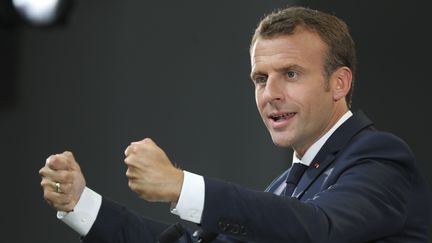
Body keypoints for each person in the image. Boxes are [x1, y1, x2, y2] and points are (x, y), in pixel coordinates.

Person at [39, 6, 430, 243]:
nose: (269, 94)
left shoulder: (380, 159)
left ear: (338, 83)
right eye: (261, 78)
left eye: (291, 74)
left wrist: (181, 187)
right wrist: (81, 204)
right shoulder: (283, 189)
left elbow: (317, 230)